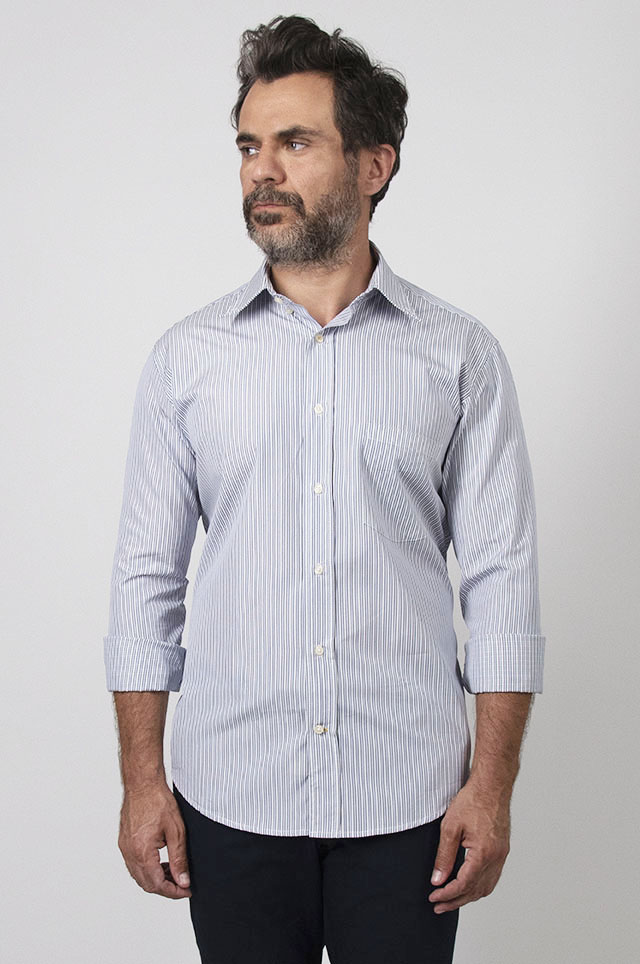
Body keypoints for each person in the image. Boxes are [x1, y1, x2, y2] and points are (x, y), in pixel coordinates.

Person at [103, 14, 546, 964]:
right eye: (249, 147)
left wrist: (491, 787)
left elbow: (502, 582)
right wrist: (143, 780)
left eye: (295, 143)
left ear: (374, 165)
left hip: (411, 806)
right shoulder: (186, 360)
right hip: (231, 799)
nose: (262, 171)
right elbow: (146, 579)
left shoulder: (460, 357)